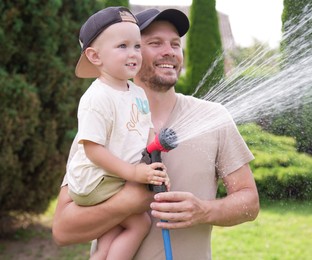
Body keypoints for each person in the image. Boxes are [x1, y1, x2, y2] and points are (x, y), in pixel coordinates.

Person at [52, 8, 260, 259]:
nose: (170, 51)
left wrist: (204, 211)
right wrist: (127, 202)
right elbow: (63, 231)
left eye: (175, 44)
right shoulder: (102, 120)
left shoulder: (213, 117)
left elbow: (249, 202)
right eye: (154, 43)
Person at [66, 6, 169, 260]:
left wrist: (155, 145)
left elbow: (146, 129)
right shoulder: (97, 97)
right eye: (122, 46)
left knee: (112, 231)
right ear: (95, 56)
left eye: (136, 46)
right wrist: (134, 172)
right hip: (94, 181)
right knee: (139, 224)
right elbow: (92, 149)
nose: (133, 53)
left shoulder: (136, 92)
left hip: (111, 178)